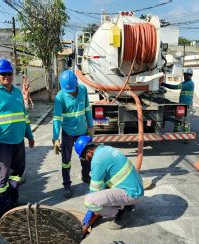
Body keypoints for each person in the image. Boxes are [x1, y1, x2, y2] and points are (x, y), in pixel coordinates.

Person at [0, 58, 35, 221]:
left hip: (18, 142)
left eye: (9, 73)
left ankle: (12, 202)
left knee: (17, 173)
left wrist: (29, 135)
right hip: (1, 144)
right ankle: (2, 213)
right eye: (3, 74)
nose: (6, 77)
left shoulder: (16, 92)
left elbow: (24, 117)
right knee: (0, 178)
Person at [75, 135, 144, 230]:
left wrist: (90, 211)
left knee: (89, 202)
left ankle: (122, 214)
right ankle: (127, 205)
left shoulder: (97, 161)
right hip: (135, 187)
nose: (86, 160)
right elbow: (101, 183)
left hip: (133, 193)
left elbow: (94, 191)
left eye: (84, 157)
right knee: (96, 178)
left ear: (89, 152)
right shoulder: (105, 149)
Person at [52, 70, 94, 198]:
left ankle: (85, 176)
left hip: (82, 132)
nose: (70, 92)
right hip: (68, 133)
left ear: (76, 84)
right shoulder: (60, 97)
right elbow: (57, 118)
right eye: (67, 91)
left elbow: (87, 109)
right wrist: (55, 138)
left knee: (87, 157)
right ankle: (67, 185)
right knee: (66, 160)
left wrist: (90, 125)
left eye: (72, 90)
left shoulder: (83, 90)